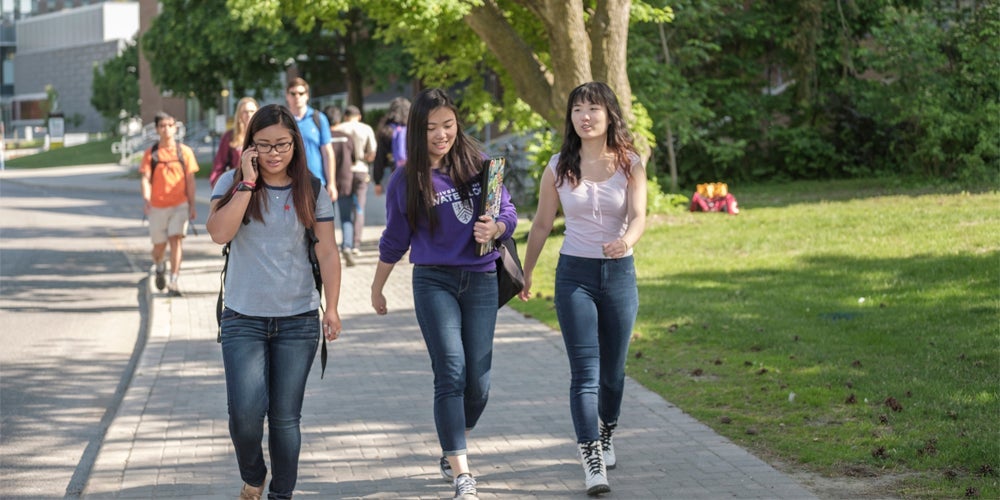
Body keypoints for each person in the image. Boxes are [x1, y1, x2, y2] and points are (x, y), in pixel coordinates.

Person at [369, 88, 517, 500]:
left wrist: (498, 229)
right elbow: (394, 239)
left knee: (479, 385)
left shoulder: (480, 165)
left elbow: (507, 212)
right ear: (417, 130)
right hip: (434, 281)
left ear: (457, 124)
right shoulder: (407, 179)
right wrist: (378, 287)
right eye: (431, 127)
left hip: (482, 279)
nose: (441, 134)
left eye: (447, 125)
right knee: (451, 371)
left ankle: (455, 440)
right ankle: (461, 470)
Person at [205, 104, 343, 500]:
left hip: (297, 321)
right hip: (242, 319)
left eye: (282, 144)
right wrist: (247, 184)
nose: (274, 153)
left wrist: (331, 307)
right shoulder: (231, 183)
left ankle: (281, 494)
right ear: (250, 147)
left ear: (295, 145)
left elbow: (328, 253)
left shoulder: (312, 188)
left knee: (285, 419)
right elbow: (218, 234)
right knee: (245, 417)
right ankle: (254, 474)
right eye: (263, 145)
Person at [517, 81, 647, 496]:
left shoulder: (630, 163)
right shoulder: (558, 165)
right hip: (574, 274)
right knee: (585, 372)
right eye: (577, 109)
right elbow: (541, 224)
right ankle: (590, 454)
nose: (585, 116)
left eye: (593, 108)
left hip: (618, 274)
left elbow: (640, 216)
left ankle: (607, 431)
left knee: (613, 372)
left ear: (609, 114)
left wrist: (625, 241)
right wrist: (527, 271)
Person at [139, 111, 198, 296]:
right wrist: (147, 199)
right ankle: (159, 266)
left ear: (175, 128)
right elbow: (145, 179)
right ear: (157, 129)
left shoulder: (185, 152)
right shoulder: (151, 154)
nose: (166, 129)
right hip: (157, 207)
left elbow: (191, 180)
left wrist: (192, 205)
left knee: (176, 240)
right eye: (162, 126)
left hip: (180, 205)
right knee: (159, 247)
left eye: (170, 125)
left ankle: (174, 281)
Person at [333, 105, 377, 261]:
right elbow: (372, 153)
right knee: (359, 208)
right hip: (360, 170)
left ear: (345, 116)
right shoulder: (366, 128)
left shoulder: (340, 128)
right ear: (359, 116)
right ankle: (356, 245)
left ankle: (346, 243)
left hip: (342, 173)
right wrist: (364, 158)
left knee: (344, 212)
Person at [284, 77, 337, 202]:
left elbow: (328, 153)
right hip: (289, 183)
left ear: (307, 95)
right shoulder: (283, 119)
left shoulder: (318, 118)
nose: (297, 96)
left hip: (316, 183)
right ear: (287, 96)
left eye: (301, 93)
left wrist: (332, 183)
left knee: (321, 221)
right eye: (293, 93)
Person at [323, 105, 358, 266]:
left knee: (326, 219)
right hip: (345, 182)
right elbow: (355, 158)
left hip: (326, 184)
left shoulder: (323, 138)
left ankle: (326, 249)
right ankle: (347, 247)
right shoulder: (346, 137)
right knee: (346, 218)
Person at [210, 97, 259, 187]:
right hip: (237, 186)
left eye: (252, 111)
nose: (248, 114)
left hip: (260, 186)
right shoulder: (230, 136)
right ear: (239, 114)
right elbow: (219, 165)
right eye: (245, 111)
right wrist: (218, 188)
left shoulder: (263, 134)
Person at [372, 96, 410, 196]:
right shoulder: (414, 129)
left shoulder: (386, 130)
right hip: (412, 171)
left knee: (393, 205)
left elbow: (380, 157)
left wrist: (377, 181)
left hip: (391, 171)